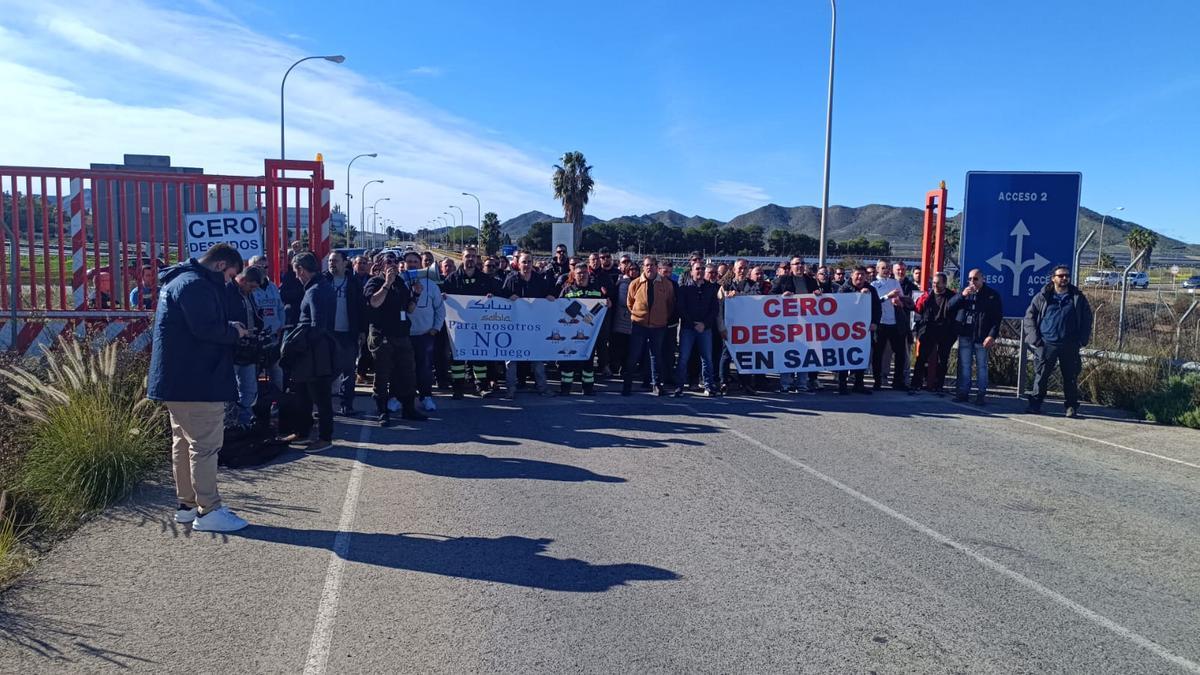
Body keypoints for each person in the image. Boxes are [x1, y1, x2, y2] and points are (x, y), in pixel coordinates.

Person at [147, 243, 250, 532]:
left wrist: (225, 325)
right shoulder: (197, 286)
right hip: (198, 381)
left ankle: (187, 505)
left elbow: (194, 324)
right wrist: (234, 331)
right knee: (205, 447)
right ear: (220, 265)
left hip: (176, 380)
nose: (229, 282)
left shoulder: (179, 280)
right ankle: (209, 510)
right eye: (230, 275)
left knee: (182, 443)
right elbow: (206, 330)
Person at [363, 254, 426, 425]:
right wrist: (386, 284)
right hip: (382, 335)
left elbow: (409, 310)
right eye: (389, 262)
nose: (393, 265)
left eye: (396, 262)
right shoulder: (375, 282)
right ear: (382, 265)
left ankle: (408, 409)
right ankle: (382, 411)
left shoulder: (401, 285)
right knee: (383, 374)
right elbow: (374, 303)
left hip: (401, 335)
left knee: (407, 374)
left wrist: (416, 295)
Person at [282, 252, 336, 451]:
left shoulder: (314, 291)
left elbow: (317, 325)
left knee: (320, 396)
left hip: (314, 353)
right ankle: (302, 431)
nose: (296, 277)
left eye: (296, 272)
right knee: (303, 393)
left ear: (301, 270)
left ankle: (324, 437)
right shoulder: (322, 286)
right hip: (314, 350)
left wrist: (300, 345)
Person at [1023, 265, 1093, 418]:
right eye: (1060, 276)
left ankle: (1071, 407)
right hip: (1047, 343)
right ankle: (1035, 404)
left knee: (1070, 377)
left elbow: (1087, 319)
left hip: (1070, 344)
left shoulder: (1077, 297)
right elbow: (1029, 317)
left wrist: (1082, 339)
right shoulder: (1043, 296)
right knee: (1041, 376)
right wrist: (1035, 339)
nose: (1064, 278)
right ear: (1053, 278)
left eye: (1066, 275)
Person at [442, 248, 502, 398]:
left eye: (473, 256)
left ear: (477, 259)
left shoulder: (485, 280)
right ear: (462, 258)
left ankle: (480, 387)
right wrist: (444, 297)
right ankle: (458, 389)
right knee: (457, 359)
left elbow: (498, 296)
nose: (470, 259)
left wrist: (492, 297)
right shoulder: (452, 279)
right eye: (467, 256)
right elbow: (443, 298)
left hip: (479, 326)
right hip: (458, 327)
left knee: (479, 358)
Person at [502, 252, 558, 398]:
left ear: (533, 263)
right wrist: (508, 297)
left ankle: (542, 387)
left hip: (534, 328)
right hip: (514, 327)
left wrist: (549, 297)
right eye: (524, 262)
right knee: (511, 359)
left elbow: (548, 294)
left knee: (538, 359)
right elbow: (501, 297)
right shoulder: (511, 279)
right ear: (518, 264)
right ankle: (510, 388)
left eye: (529, 262)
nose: (526, 265)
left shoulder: (540, 280)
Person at [948, 268, 1003, 404]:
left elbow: (997, 318)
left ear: (983, 279)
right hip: (966, 335)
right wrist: (962, 295)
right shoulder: (965, 293)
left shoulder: (991, 295)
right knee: (964, 366)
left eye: (975, 279)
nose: (972, 281)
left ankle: (981, 394)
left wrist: (991, 336)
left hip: (982, 337)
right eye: (970, 279)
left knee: (981, 367)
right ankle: (963, 393)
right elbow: (949, 306)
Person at [622, 256, 675, 396]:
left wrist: (661, 317)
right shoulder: (635, 283)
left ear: (657, 267)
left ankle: (656, 384)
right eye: (647, 265)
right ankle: (627, 384)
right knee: (633, 355)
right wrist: (639, 315)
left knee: (656, 356)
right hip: (639, 325)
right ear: (643, 267)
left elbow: (670, 304)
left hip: (658, 326)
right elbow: (630, 303)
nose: (649, 267)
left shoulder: (666, 284)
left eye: (652, 265)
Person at [559, 262, 610, 395]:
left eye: (584, 272)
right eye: (579, 273)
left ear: (588, 273)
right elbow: (558, 309)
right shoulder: (567, 290)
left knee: (588, 362)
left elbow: (602, 306)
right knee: (567, 362)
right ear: (574, 275)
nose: (582, 275)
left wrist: (607, 303)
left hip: (589, 335)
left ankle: (588, 389)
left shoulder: (596, 289)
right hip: (569, 333)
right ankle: (565, 388)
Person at [325, 250, 365, 416]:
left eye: (335, 261)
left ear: (344, 263)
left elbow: (361, 307)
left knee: (348, 370)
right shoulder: (323, 280)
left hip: (348, 332)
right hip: (328, 333)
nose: (331, 264)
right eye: (330, 261)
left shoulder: (353, 282)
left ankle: (346, 405)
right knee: (327, 370)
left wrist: (362, 330)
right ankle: (324, 406)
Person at [405, 251, 445, 412]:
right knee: (404, 369)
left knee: (425, 368)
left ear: (420, 264)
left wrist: (436, 328)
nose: (412, 264)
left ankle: (426, 397)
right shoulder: (401, 282)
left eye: (415, 261)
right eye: (409, 261)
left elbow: (439, 309)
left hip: (425, 334)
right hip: (405, 334)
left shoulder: (432, 285)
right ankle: (401, 398)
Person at [674, 260, 719, 397]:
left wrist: (704, 324)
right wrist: (693, 324)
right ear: (692, 271)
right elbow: (681, 308)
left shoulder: (711, 288)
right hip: (688, 328)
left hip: (705, 329)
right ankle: (679, 386)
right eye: (697, 269)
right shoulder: (684, 288)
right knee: (683, 358)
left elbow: (714, 309)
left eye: (702, 269)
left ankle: (708, 386)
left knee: (707, 359)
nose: (700, 271)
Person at [228, 265, 265, 427]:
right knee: (229, 389)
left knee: (249, 387)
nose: (252, 290)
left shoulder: (246, 294)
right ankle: (229, 424)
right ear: (242, 280)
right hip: (233, 348)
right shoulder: (228, 292)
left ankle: (245, 422)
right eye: (251, 286)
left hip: (248, 347)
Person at [718, 259, 760, 394]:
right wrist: (721, 327)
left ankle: (746, 383)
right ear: (734, 270)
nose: (742, 271)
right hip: (730, 325)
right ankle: (723, 382)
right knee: (726, 355)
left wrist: (740, 296)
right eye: (740, 268)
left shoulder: (754, 285)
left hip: (747, 326)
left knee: (745, 356)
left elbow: (757, 299)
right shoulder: (725, 284)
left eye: (745, 268)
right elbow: (718, 305)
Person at [870, 259, 913, 391]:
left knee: (900, 354)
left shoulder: (894, 282)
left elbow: (899, 298)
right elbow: (875, 302)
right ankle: (877, 381)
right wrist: (887, 296)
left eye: (888, 268)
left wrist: (901, 301)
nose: (886, 270)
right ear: (877, 269)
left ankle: (897, 381)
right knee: (878, 354)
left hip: (895, 323)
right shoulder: (873, 284)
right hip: (881, 323)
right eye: (883, 268)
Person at [837, 266, 880, 395]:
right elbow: (841, 306)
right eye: (857, 274)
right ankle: (842, 384)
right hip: (846, 329)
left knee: (862, 354)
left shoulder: (871, 289)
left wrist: (875, 322)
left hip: (864, 330)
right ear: (852, 275)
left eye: (862, 275)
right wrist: (859, 296)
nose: (859, 277)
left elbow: (877, 308)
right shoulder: (843, 289)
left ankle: (859, 384)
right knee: (845, 356)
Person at [911, 272, 957, 394]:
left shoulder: (952, 297)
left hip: (945, 332)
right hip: (928, 331)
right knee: (921, 358)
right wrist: (917, 330)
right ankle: (916, 384)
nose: (935, 285)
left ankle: (939, 386)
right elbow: (917, 311)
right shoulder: (927, 296)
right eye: (934, 283)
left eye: (938, 283)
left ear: (945, 284)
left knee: (943, 360)